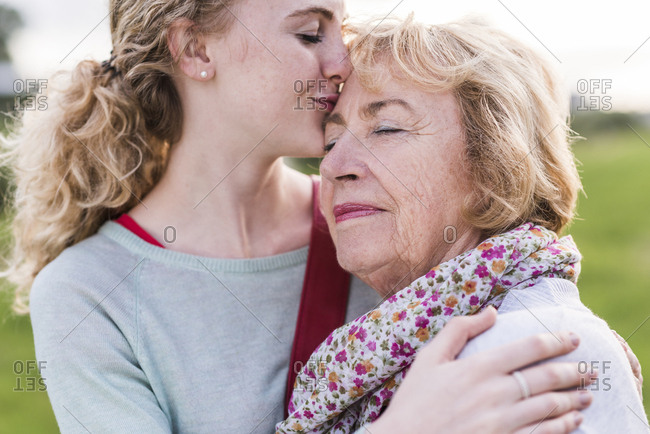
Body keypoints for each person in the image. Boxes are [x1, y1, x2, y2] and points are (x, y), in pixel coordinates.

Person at [0, 1, 634, 432]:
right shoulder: (89, 294)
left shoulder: (380, 231)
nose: (341, 61)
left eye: (340, 28)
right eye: (309, 33)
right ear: (195, 48)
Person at [279, 15, 647, 433]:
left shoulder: (542, 350)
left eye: (386, 128)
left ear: (494, 167)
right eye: (331, 142)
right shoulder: (397, 345)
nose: (331, 166)